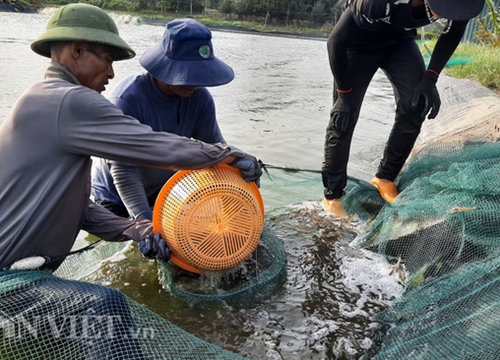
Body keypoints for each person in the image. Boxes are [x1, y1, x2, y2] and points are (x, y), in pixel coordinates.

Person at [0, 4, 261, 357]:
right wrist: (226, 153)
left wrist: (133, 230)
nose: (110, 73)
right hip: (7, 280)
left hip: (23, 274)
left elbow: (75, 206)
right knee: (103, 306)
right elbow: (156, 147)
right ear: (77, 50)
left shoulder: (47, 101)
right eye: (106, 59)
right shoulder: (70, 101)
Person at [322, 0, 485, 216]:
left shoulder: (463, 4)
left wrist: (431, 77)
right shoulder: (376, 3)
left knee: (416, 103)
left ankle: (385, 177)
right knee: (344, 116)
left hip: (399, 42)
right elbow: (335, 41)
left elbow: (453, 33)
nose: (448, 14)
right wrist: (344, 94)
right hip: (357, 42)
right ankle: (332, 195)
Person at [92, 18, 233, 220]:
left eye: (199, 74)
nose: (194, 83)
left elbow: (214, 151)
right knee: (136, 243)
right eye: (187, 74)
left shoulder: (200, 98)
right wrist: (143, 223)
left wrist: (235, 163)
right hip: (116, 196)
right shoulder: (128, 99)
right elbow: (124, 171)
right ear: (165, 67)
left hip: (162, 192)